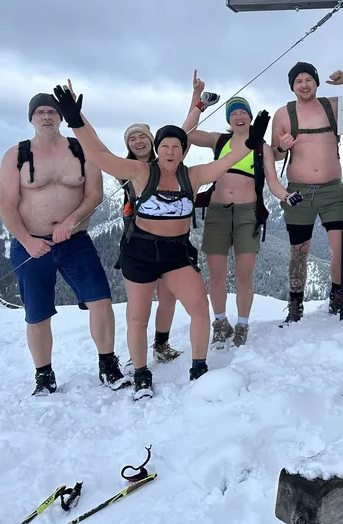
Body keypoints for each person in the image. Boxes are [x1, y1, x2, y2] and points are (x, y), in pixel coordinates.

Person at [50, 82, 270, 400]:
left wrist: (250, 142)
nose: (170, 151)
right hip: (140, 252)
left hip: (176, 253)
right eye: (165, 146)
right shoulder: (141, 172)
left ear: (183, 151)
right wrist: (75, 119)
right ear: (159, 149)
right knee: (138, 317)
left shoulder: (192, 175)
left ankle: (198, 367)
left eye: (176, 147)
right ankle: (141, 374)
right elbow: (99, 155)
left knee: (198, 307)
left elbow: (227, 161)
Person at [0, 93, 129, 396]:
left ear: (60, 117)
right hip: (30, 243)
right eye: (41, 112)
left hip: (75, 240)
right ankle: (44, 375)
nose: (47, 117)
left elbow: (94, 193)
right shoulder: (15, 154)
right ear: (31, 117)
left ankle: (107, 364)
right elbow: (6, 204)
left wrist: (72, 221)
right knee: (38, 312)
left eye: (52, 112)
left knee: (100, 300)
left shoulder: (80, 150)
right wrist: (28, 241)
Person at [182, 73, 300, 347]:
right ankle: (220, 322)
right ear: (228, 119)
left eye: (242, 112)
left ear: (249, 116)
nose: (239, 116)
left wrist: (287, 196)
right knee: (217, 274)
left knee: (245, 273)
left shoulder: (262, 148)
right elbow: (184, 134)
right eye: (233, 113)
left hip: (248, 213)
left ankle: (243, 325)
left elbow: (273, 183)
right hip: (217, 210)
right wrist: (196, 100)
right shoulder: (218, 141)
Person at [270, 62, 343, 324]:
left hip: (333, 189)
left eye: (308, 79)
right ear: (292, 86)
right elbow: (275, 154)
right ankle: (296, 303)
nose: (304, 85)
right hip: (299, 192)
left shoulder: (332, 106)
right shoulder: (283, 114)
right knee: (299, 250)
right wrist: (282, 146)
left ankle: (336, 297)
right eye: (298, 81)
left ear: (316, 82)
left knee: (340, 246)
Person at [119, 122, 182, 364]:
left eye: (142, 137)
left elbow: (181, 133)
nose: (137, 142)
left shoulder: (166, 163)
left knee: (167, 296)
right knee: (137, 305)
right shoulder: (125, 169)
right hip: (136, 241)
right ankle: (136, 352)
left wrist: (197, 103)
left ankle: (161, 343)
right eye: (131, 138)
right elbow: (100, 153)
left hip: (168, 242)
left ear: (151, 140)